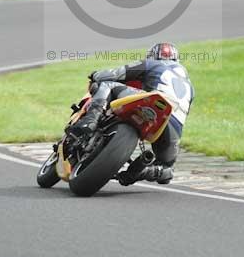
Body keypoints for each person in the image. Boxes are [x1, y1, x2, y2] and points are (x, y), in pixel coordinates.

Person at [68, 42, 194, 185]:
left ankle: (90, 120)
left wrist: (96, 74)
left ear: (153, 56)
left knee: (107, 84)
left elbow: (117, 73)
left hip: (152, 100)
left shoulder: (152, 63)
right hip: (173, 123)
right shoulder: (189, 84)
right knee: (166, 170)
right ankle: (140, 171)